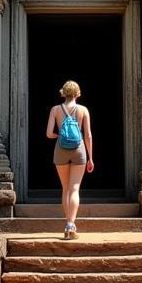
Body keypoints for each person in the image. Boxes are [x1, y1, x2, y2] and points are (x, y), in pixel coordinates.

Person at [46, 80, 94, 239]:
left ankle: (67, 223)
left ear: (63, 93)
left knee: (65, 188)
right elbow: (87, 135)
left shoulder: (55, 109)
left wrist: (60, 135)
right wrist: (91, 157)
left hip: (60, 150)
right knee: (75, 189)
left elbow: (48, 134)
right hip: (79, 150)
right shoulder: (83, 110)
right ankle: (71, 224)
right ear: (78, 93)